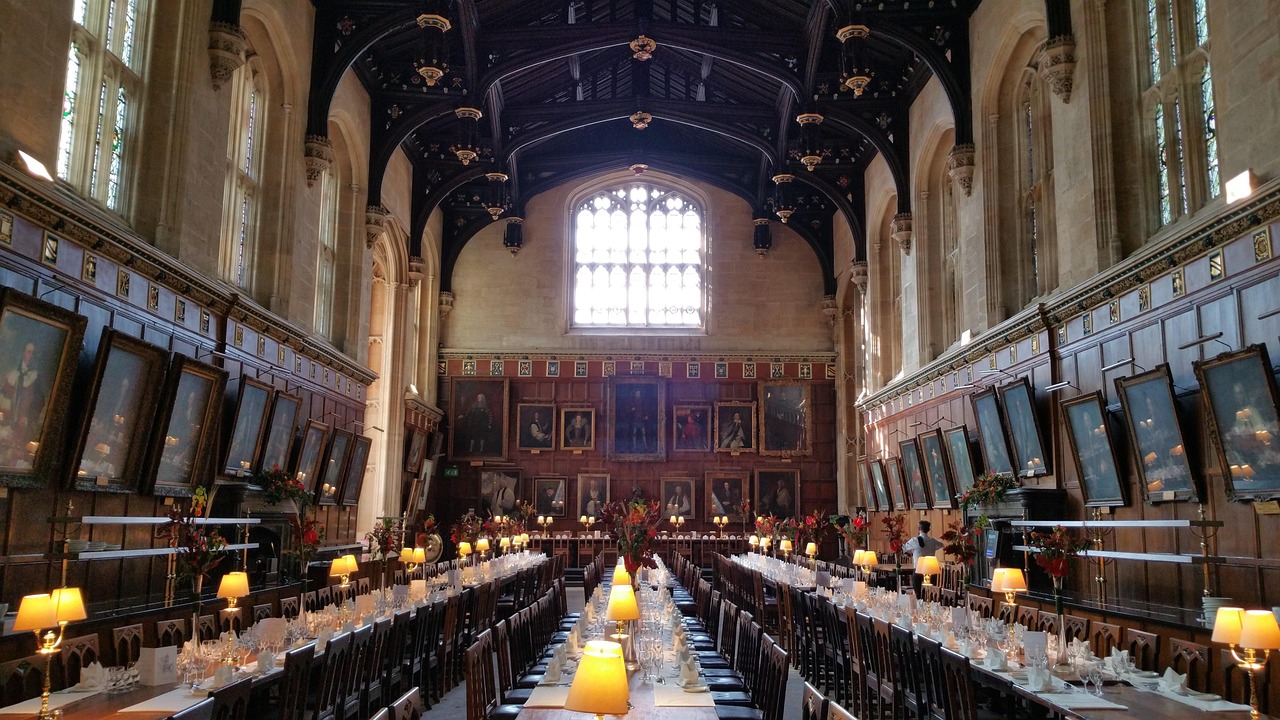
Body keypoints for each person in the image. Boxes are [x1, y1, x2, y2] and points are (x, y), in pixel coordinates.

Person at [0, 342, 46, 466]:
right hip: (8, 421)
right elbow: (3, 397)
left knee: (16, 454)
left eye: (32, 353)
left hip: (24, 423)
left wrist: (27, 417)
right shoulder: (13, 374)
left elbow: (39, 402)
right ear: (23, 353)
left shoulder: (36, 378)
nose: (29, 355)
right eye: (27, 351)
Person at [902, 520, 944, 594]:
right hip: (931, 570)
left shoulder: (914, 541)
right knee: (931, 593)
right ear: (929, 530)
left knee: (917, 593)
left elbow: (904, 548)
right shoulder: (933, 541)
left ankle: (919, 603)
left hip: (918, 570)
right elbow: (940, 545)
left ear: (918, 529)